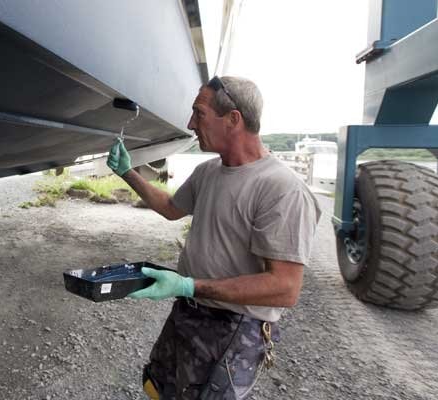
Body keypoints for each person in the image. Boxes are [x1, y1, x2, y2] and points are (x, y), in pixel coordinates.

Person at [107, 76, 321, 400]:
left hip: (233, 327)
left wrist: (188, 285)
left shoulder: (281, 189)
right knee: (160, 386)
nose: (190, 124)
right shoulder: (208, 172)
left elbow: (285, 288)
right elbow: (171, 208)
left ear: (233, 119)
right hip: (189, 309)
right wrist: (127, 173)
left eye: (199, 113)